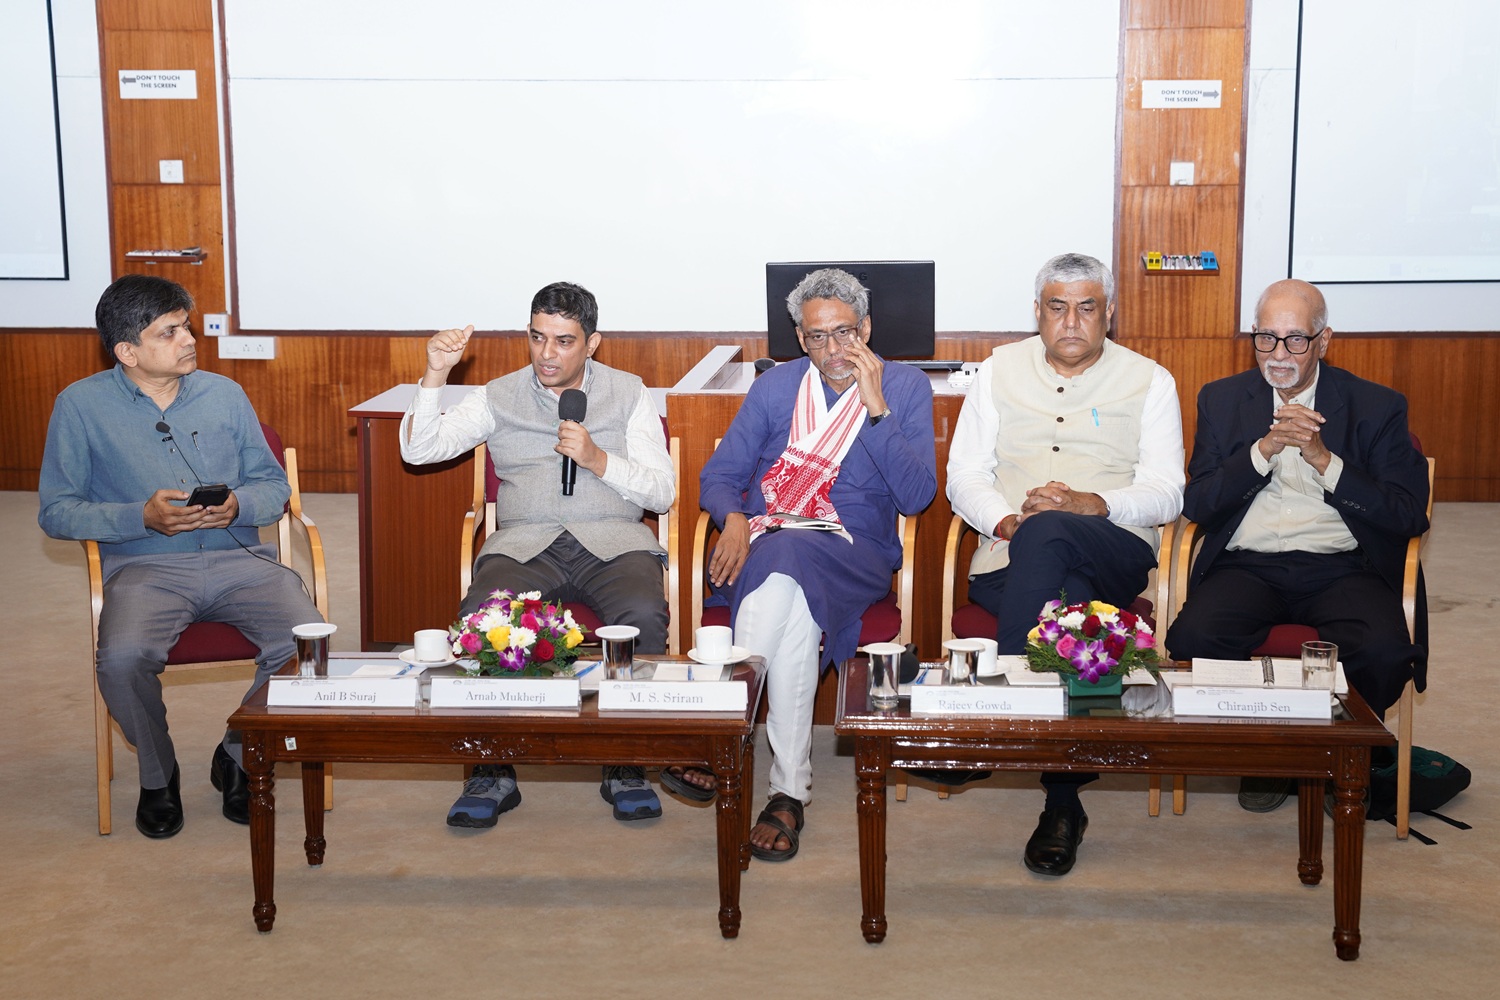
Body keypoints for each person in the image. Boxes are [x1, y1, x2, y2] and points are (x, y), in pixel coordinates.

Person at [38, 274, 324, 839]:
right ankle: (157, 773)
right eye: (169, 332)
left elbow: (274, 487)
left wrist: (239, 504)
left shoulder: (225, 394)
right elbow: (57, 510)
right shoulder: (80, 406)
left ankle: (238, 755)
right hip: (145, 568)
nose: (189, 338)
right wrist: (137, 517)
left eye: (186, 325)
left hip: (239, 559)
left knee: (308, 643)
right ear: (127, 351)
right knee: (120, 661)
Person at [401, 281, 675, 827]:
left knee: (643, 615)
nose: (547, 354)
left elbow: (661, 492)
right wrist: (436, 373)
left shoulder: (630, 392)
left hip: (615, 543)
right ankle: (491, 768)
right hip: (526, 543)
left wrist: (599, 459)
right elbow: (419, 449)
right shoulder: (497, 395)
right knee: (480, 616)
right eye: (537, 337)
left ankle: (623, 762)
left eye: (564, 341)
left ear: (592, 343)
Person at [947, 252, 1184, 876]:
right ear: (1038, 313)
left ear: (1109, 314)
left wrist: (1093, 505)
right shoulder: (998, 371)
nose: (1071, 322)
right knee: (1069, 607)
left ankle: (993, 712)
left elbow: (1167, 491)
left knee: (1055, 531)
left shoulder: (1149, 379)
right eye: (1057, 308)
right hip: (1011, 554)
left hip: (1115, 548)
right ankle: (1061, 802)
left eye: (1086, 308)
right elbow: (964, 475)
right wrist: (1005, 523)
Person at [697, 267, 937, 861]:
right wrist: (731, 518)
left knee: (783, 552)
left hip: (855, 548)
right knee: (795, 612)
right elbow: (721, 476)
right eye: (815, 337)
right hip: (765, 543)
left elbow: (916, 497)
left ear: (868, 329)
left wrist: (876, 409)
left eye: (845, 333)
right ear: (799, 338)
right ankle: (788, 792)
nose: (832, 350)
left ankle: (722, 732)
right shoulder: (775, 389)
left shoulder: (904, 387)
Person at [1165, 279, 1430, 811]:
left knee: (1381, 652)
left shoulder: (1376, 406)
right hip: (1247, 563)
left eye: (1295, 340)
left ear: (1324, 340)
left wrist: (1324, 460)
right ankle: (1265, 756)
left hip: (1341, 564)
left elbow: (1405, 514)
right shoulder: (1222, 399)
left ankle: (1341, 754)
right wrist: (1262, 451)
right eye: (1266, 338)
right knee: (1194, 637)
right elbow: (1199, 502)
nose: (1278, 355)